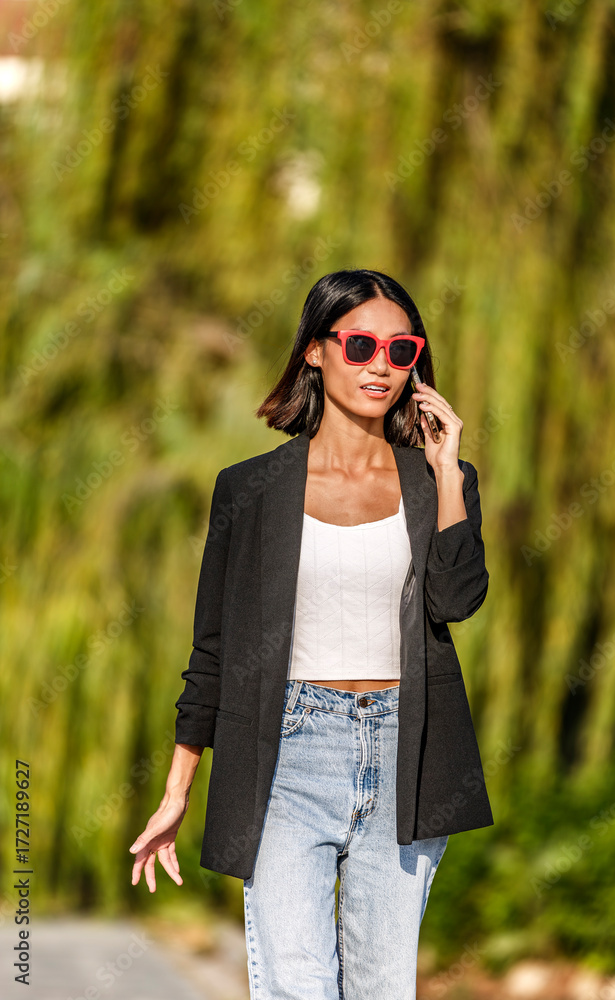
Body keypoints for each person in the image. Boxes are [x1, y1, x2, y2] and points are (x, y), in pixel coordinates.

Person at [130, 268, 493, 999]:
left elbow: (456, 600)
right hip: (286, 751)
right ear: (315, 351)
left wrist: (448, 469)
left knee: (380, 987)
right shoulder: (249, 489)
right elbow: (213, 649)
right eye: (360, 346)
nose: (381, 366)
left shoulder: (437, 483)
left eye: (401, 351)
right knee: (295, 984)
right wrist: (177, 790)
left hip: (406, 750)